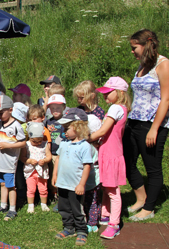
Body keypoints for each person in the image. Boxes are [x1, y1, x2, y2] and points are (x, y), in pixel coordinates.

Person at [124, 29, 169, 221]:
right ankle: (141, 198)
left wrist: (154, 128)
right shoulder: (141, 67)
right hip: (133, 121)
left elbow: (166, 99)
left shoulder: (163, 64)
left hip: (152, 124)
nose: (132, 52)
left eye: (134, 48)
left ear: (146, 45)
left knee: (153, 167)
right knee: (127, 161)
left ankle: (149, 208)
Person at [88, 77, 131, 239]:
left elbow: (101, 131)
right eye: (104, 93)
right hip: (107, 152)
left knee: (113, 190)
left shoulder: (115, 108)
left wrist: (86, 138)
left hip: (111, 153)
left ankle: (114, 224)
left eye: (108, 93)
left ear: (120, 93)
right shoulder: (118, 108)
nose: (105, 96)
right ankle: (105, 215)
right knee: (106, 185)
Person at [52, 108, 92, 246]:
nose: (64, 131)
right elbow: (58, 159)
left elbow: (87, 166)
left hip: (75, 185)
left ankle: (81, 230)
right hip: (62, 183)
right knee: (63, 207)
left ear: (78, 127)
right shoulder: (64, 143)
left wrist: (81, 184)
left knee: (77, 208)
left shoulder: (85, 146)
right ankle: (68, 227)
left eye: (67, 128)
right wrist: (54, 175)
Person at [0, 95, 26, 221]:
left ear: (10, 110)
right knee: (2, 183)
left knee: (10, 186)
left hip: (9, 162)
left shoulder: (16, 126)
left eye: (0, 113)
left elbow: (22, 143)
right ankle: (3, 205)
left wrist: (8, 145)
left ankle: (12, 209)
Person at [20, 122, 52, 213]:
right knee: (31, 189)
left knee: (43, 188)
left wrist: (45, 161)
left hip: (42, 171)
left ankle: (44, 204)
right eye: (34, 141)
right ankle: (30, 205)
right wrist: (29, 161)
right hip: (30, 171)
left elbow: (49, 156)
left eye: (39, 141)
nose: (37, 143)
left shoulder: (45, 144)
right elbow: (22, 158)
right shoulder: (26, 145)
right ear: (29, 138)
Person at [84, 114, 102, 234]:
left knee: (92, 201)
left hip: (92, 179)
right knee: (92, 200)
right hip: (93, 178)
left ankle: (93, 223)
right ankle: (92, 219)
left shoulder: (89, 147)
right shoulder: (96, 146)